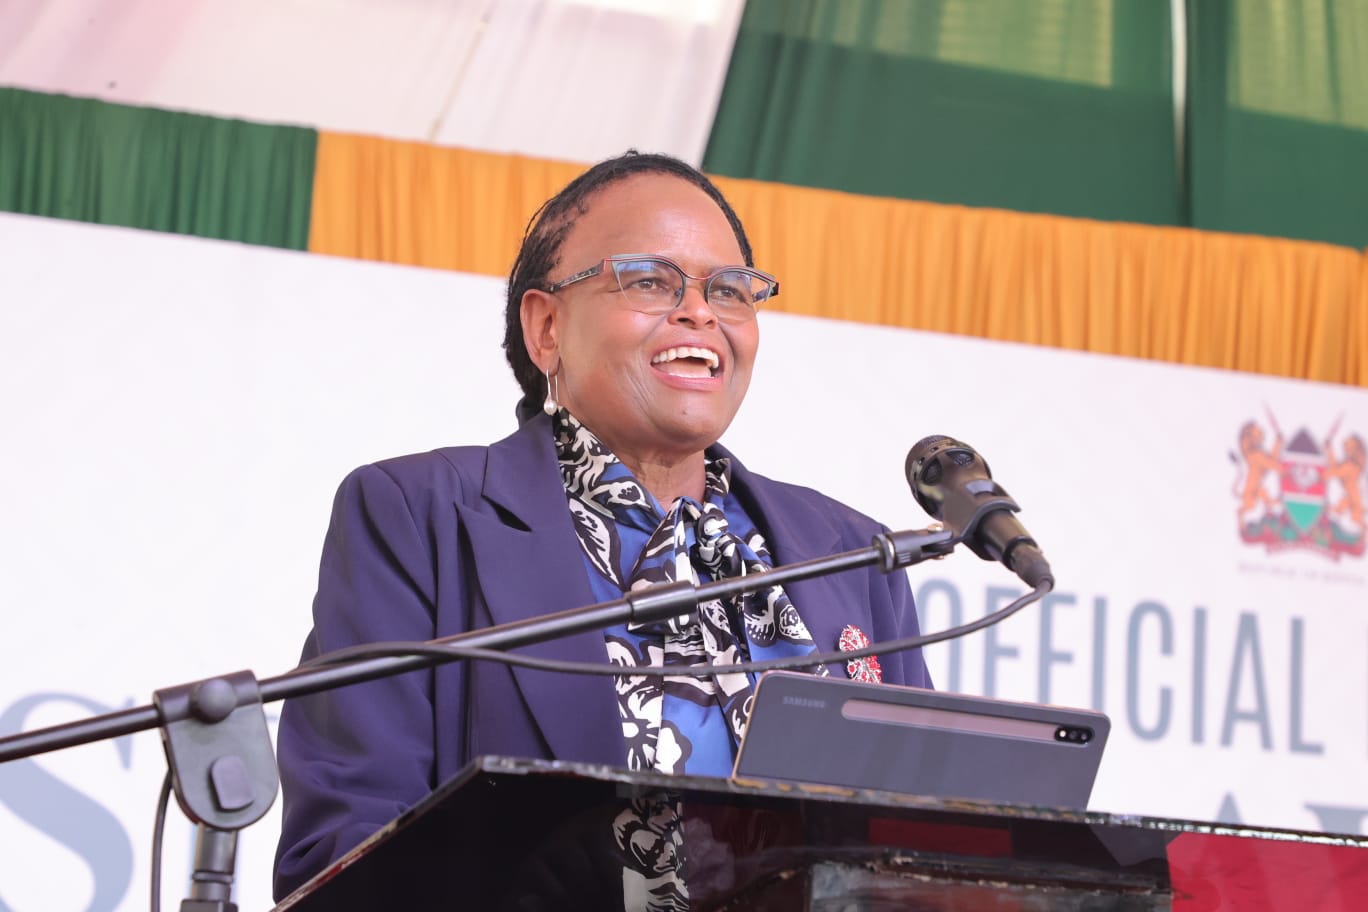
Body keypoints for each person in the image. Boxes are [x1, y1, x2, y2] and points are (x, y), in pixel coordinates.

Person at [272, 151, 932, 905]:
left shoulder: (853, 556)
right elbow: (338, 859)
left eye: (728, 289)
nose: (700, 312)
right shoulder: (423, 517)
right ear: (546, 327)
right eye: (650, 280)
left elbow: (922, 855)